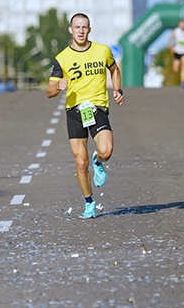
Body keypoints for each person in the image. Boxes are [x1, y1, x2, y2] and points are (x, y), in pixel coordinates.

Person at [46, 13, 125, 219]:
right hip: (75, 112)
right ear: (71, 30)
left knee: (106, 151)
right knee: (81, 163)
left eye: (84, 27)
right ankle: (89, 202)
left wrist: (117, 89)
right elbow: (49, 91)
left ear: (89, 29)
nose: (81, 31)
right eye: (77, 27)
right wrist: (58, 86)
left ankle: (98, 162)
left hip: (97, 108)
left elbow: (114, 69)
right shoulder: (62, 58)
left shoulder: (102, 51)